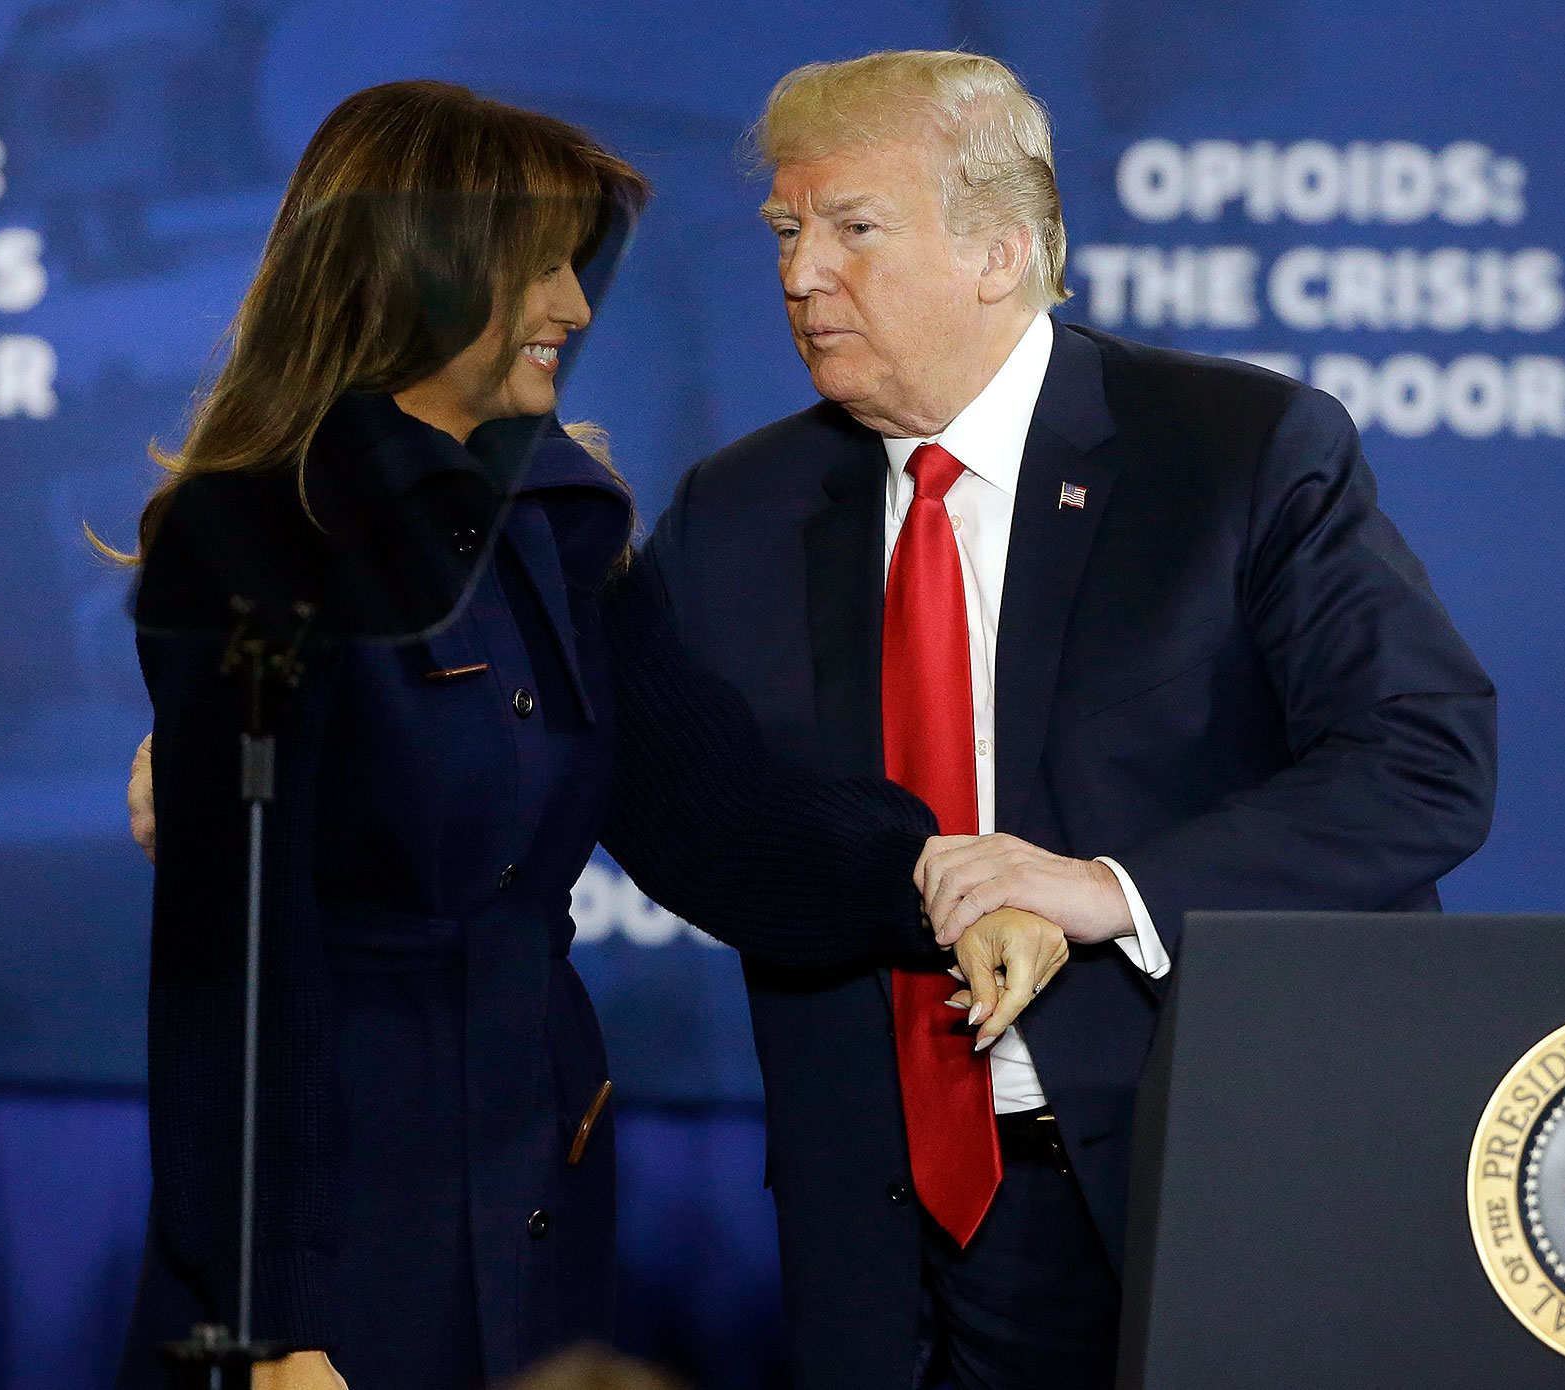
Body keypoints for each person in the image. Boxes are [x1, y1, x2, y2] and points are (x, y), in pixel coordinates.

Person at [116, 80, 1064, 1390]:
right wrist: (272, 1322)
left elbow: (723, 821)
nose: (573, 306)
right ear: (424, 272)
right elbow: (229, 974)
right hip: (334, 1243)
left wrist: (945, 878)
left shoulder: (558, 527)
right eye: (542, 266)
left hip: (532, 1211)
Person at [633, 50, 1498, 1390]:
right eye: (787, 232)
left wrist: (1109, 888)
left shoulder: (1236, 449)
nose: (803, 275)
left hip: (1208, 1196)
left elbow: (1424, 761)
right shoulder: (735, 512)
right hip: (882, 1233)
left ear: (1001, 250)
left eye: (854, 227)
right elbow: (642, 781)